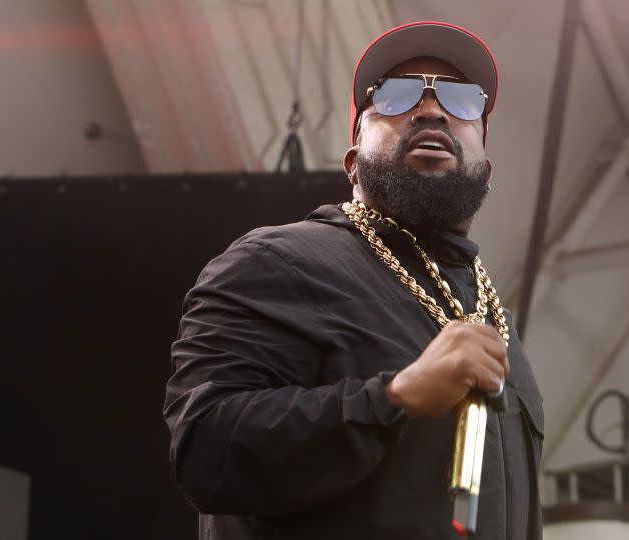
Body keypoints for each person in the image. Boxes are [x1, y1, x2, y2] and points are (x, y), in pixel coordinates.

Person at [164, 21, 544, 540]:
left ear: (487, 170)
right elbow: (206, 451)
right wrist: (395, 398)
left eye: (461, 100)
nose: (432, 110)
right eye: (395, 96)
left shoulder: (498, 325)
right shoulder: (277, 261)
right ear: (352, 162)